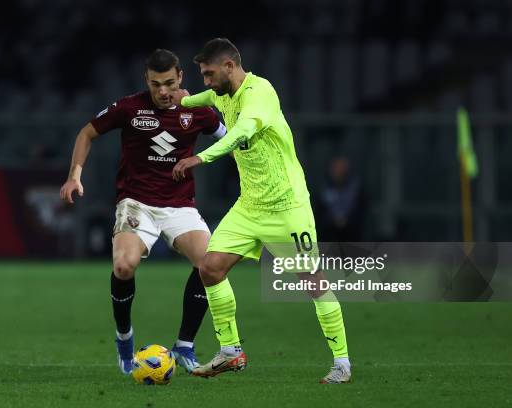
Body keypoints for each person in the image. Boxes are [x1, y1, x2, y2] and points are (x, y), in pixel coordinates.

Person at [170, 38, 351, 383]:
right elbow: (195, 98)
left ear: (229, 66)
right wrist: (176, 97)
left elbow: (241, 133)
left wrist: (200, 157)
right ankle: (230, 351)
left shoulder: (260, 94)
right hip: (249, 207)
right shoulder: (221, 93)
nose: (207, 81)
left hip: (287, 207)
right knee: (209, 268)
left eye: (209, 74)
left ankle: (341, 363)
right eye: (202, 76)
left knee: (313, 283)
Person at [60, 49, 227, 375]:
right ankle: (124, 337)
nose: (162, 92)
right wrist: (74, 175)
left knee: (211, 265)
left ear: (180, 78)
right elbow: (87, 132)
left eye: (168, 83)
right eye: (155, 84)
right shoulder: (129, 107)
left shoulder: (199, 112)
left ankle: (185, 345)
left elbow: (230, 139)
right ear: (146, 82)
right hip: (136, 203)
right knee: (123, 266)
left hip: (180, 205)